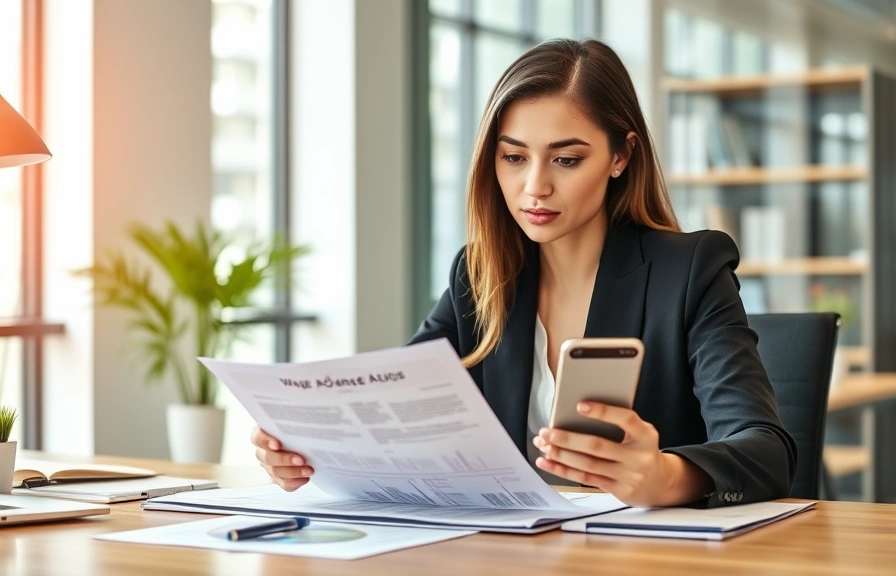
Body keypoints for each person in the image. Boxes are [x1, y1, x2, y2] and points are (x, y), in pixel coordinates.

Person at [250, 38, 796, 508]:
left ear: (620, 156)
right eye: (514, 157)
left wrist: (664, 476)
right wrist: (312, 448)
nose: (534, 187)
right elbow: (395, 411)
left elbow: (766, 450)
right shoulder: (479, 275)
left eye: (565, 159)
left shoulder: (690, 271)